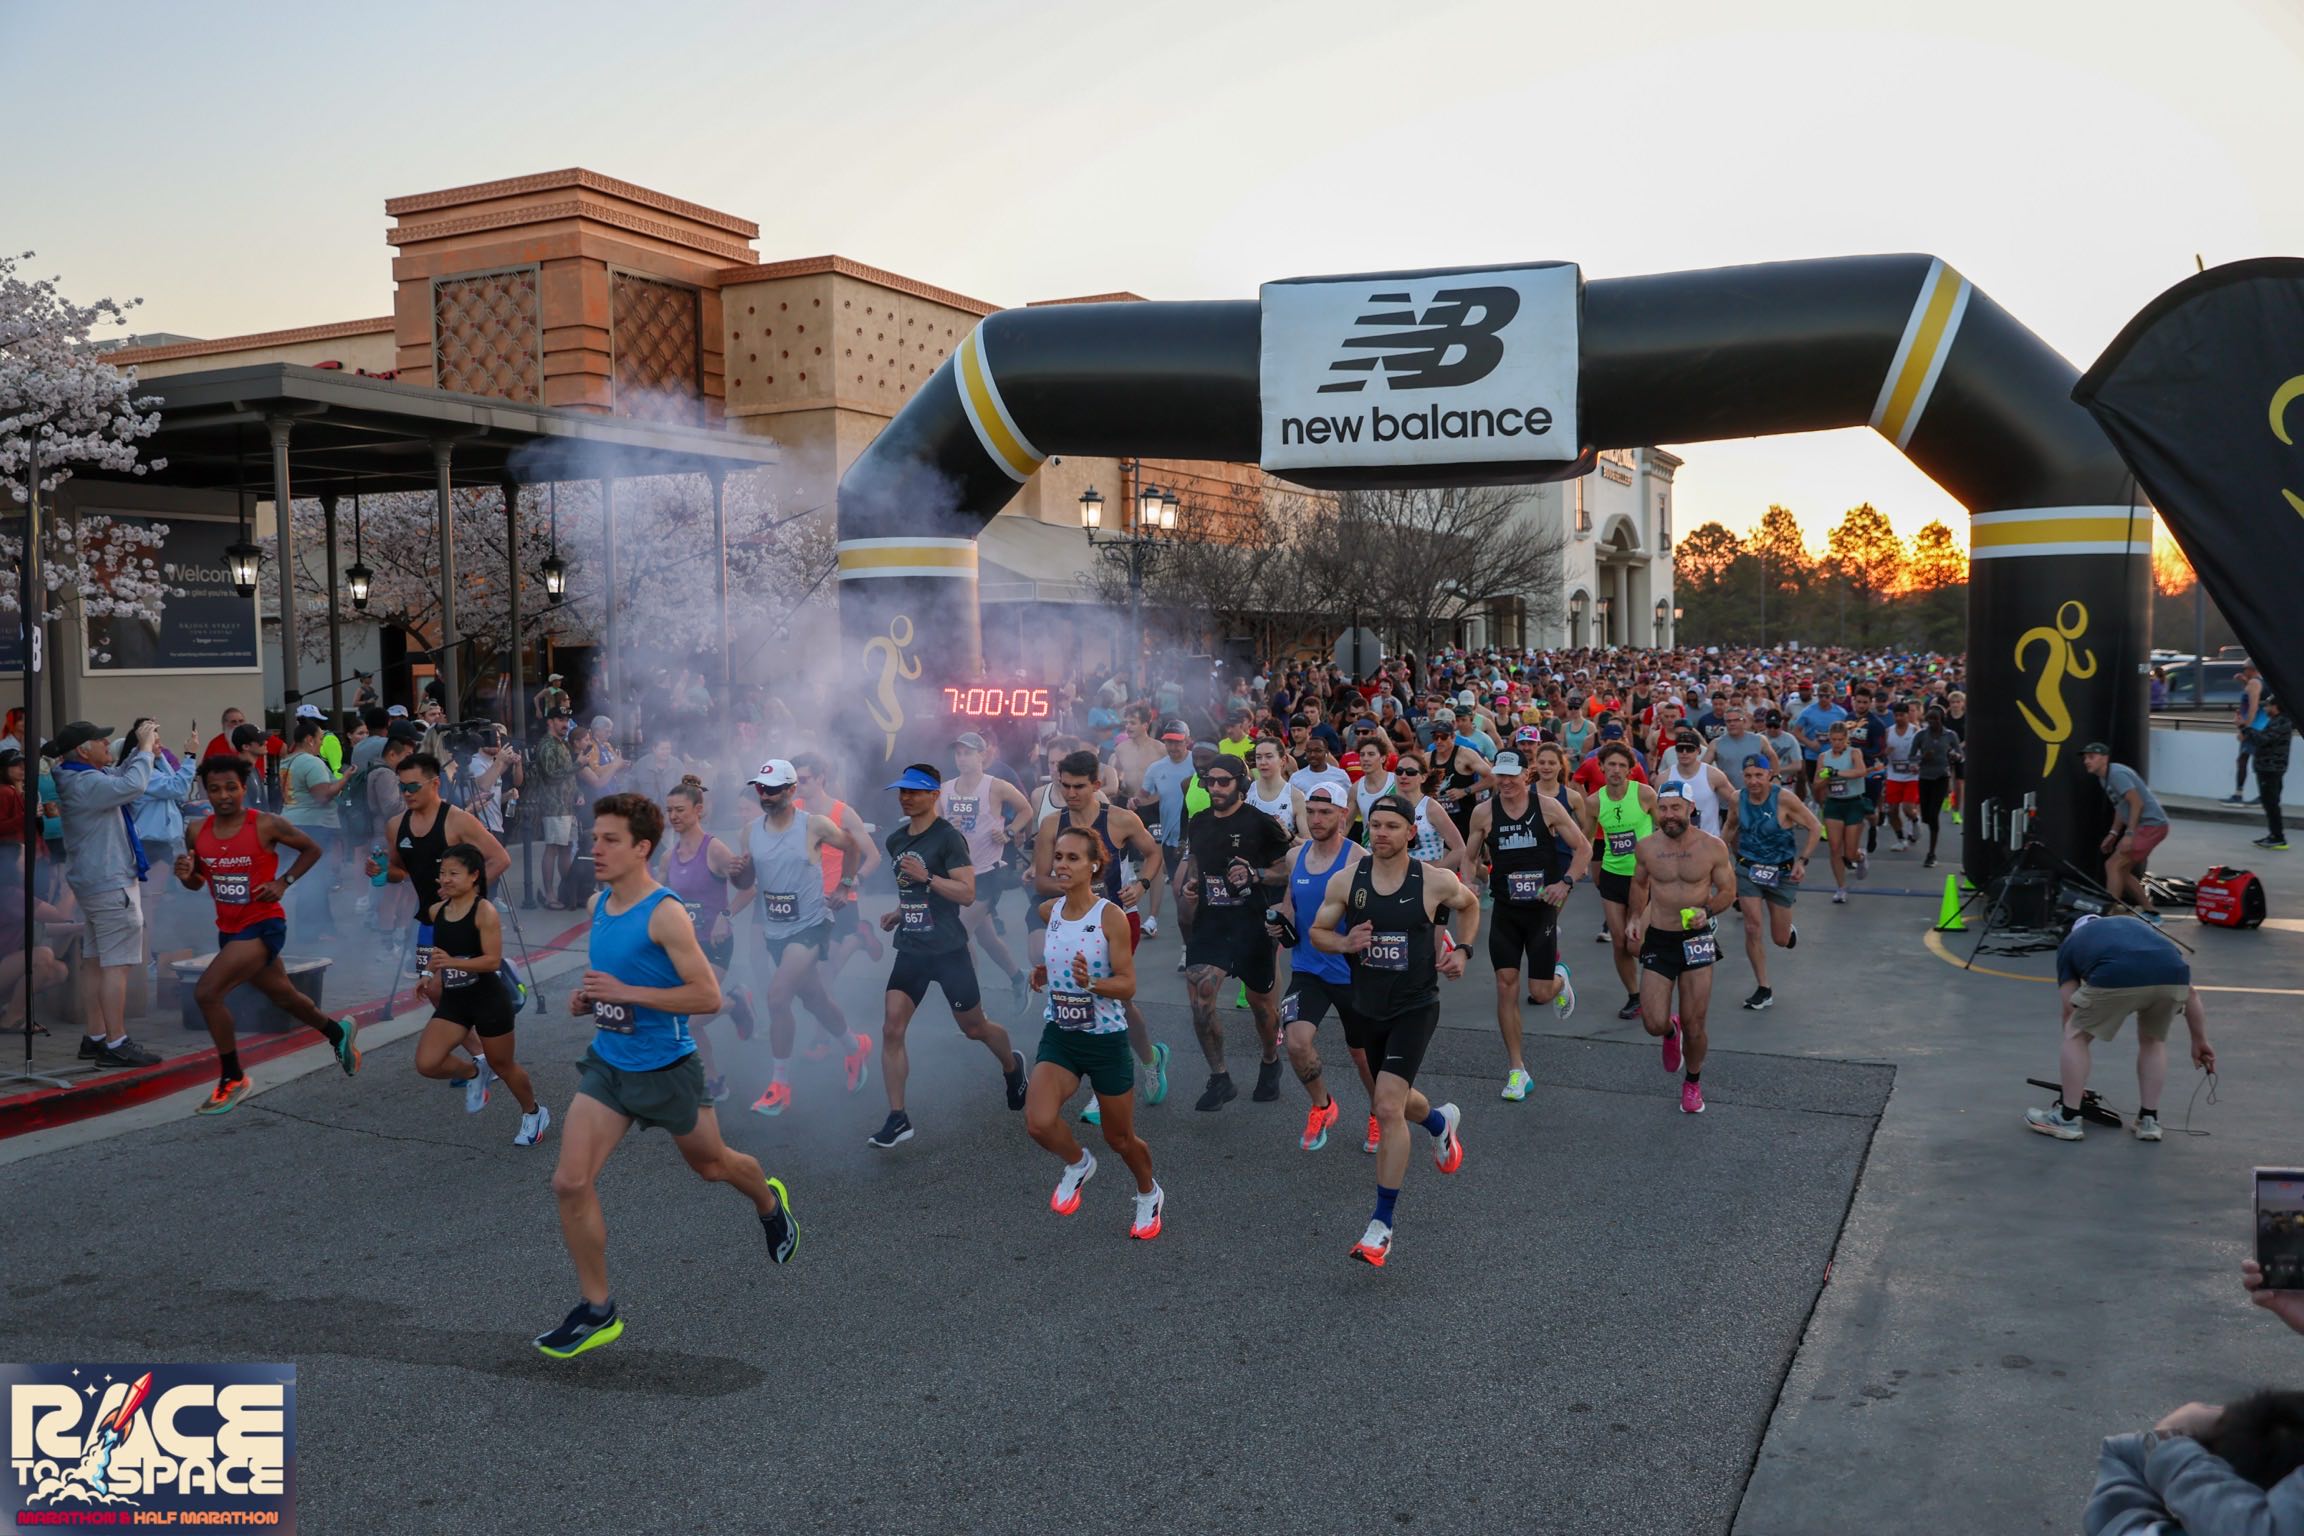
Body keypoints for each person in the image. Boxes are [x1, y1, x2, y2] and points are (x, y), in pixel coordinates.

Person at [537, 793, 797, 1359]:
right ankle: (598, 1310)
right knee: (570, 1181)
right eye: (595, 838)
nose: (595, 848)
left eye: (609, 840)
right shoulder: (599, 904)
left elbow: (706, 995)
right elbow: (614, 981)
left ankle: (769, 1202)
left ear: (641, 848)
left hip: (668, 1068)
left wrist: (625, 993)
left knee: (713, 1166)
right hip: (609, 1064)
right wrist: (589, 1000)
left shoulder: (665, 911)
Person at [1308, 795, 1478, 1268]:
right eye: (1375, 825)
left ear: (1410, 832)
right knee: (1399, 1099)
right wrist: (1344, 942)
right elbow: (1318, 932)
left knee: (1385, 1105)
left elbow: (1470, 905)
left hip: (1415, 1006)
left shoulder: (1435, 880)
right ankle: (1440, 1122)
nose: (1380, 833)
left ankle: (1381, 1226)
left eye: (1391, 826)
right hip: (1368, 1006)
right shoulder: (1348, 880)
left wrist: (1462, 950)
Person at [174, 755, 361, 1115]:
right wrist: (186, 876)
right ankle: (337, 1033)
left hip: (263, 926)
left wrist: (283, 881)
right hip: (229, 929)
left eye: (231, 787)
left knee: (207, 992)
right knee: (286, 998)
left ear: (245, 787)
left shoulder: (266, 825)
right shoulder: (197, 831)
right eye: (214, 789)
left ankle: (232, 1078)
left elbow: (313, 849)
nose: (224, 795)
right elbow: (198, 882)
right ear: (205, 792)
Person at [867, 764, 1030, 1149]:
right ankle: (898, 1118)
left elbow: (967, 893)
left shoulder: (949, 838)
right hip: (911, 947)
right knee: (892, 1026)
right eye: (901, 791)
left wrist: (927, 879)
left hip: (948, 948)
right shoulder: (895, 840)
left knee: (975, 1028)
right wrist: (899, 910)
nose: (906, 797)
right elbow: (910, 889)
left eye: (914, 791)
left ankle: (1012, 1065)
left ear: (934, 795)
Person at [1023, 824, 1165, 1240]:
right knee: (1038, 1123)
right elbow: (1061, 955)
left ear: (1094, 866)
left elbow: (1127, 984)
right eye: (1059, 857)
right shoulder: (1049, 912)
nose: (1062, 865)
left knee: (1120, 1138)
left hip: (1104, 1040)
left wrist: (1091, 984)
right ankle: (1078, 1162)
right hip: (1061, 1035)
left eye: (1072, 858)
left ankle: (1148, 1194)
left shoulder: (1110, 917)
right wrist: (1045, 972)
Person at [1028, 749, 1170, 1118]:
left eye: (1078, 786)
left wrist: (1140, 883)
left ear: (1096, 784)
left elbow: (1154, 855)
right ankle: (1149, 1057)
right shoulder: (1050, 825)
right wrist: (1076, 889)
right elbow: (1041, 879)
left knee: (1113, 997)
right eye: (1064, 786)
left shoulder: (1120, 820)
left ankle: (1119, 1078)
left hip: (1118, 919)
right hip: (1073, 920)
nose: (1071, 793)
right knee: (1095, 997)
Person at [368, 752, 512, 1109]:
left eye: (413, 786)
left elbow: (499, 859)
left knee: (454, 985)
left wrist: (467, 901)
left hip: (464, 921)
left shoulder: (457, 821)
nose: (406, 793)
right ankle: (481, 1058)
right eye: (402, 787)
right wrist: (383, 872)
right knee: (434, 992)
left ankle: (500, 1014)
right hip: (429, 921)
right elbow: (402, 871)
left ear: (435, 784)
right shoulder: (396, 826)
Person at [731, 758, 870, 1117]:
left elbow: (853, 846)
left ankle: (780, 1085)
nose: (766, 795)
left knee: (777, 997)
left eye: (774, 789)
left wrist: (846, 884)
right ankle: (854, 1046)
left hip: (811, 925)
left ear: (791, 790)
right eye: (761, 788)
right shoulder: (750, 832)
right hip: (776, 930)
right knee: (814, 999)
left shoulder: (815, 826)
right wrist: (739, 874)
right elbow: (747, 884)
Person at [1463, 749, 1590, 1100]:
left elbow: (1583, 849)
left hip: (1540, 911)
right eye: (1499, 775)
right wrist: (1468, 881)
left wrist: (1564, 882)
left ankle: (1560, 980)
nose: (1504, 782)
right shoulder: (1483, 813)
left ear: (1526, 775)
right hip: (1505, 910)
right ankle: (1517, 1070)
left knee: (1539, 991)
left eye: (1510, 775)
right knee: (1506, 985)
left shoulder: (1548, 808)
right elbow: (1469, 855)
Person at [2026, 913, 2215, 1143]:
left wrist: (2073, 1082)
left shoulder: (2071, 943)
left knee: (2075, 1036)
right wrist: (2199, 1041)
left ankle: (2068, 1117)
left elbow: (2069, 1009)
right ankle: (2149, 1120)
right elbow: (2191, 994)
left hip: (2116, 972)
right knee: (2153, 1041)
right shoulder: (2134, 927)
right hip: (2173, 974)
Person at [1178, 752, 1293, 1111]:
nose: (1214, 787)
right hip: (1211, 925)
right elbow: (1196, 863)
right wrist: (1191, 885)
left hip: (1252, 925)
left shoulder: (1261, 823)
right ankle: (1220, 1077)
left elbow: (1286, 870)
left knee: (1262, 1007)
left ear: (1240, 784)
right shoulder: (1197, 822)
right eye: (1209, 781)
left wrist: (1257, 875)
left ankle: (1271, 1061)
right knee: (1200, 1002)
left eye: (1222, 781)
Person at [47, 719, 163, 1068]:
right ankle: (116, 1042)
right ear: (83, 749)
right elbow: (132, 787)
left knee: (96, 961)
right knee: (118, 965)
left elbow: (119, 778)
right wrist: (143, 750)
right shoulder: (86, 783)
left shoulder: (79, 777)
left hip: (95, 881)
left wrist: (138, 748)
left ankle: (96, 1037)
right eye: (101, 740)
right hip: (111, 883)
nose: (106, 745)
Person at [412, 845, 547, 1143]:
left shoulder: (483, 910)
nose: (446, 879)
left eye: (454, 873)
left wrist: (452, 962)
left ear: (474, 876)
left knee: (504, 1064)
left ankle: (533, 1113)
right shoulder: (437, 911)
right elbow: (439, 954)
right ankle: (474, 1073)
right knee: (427, 1063)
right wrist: (427, 975)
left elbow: (491, 960)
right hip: (455, 1001)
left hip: (489, 1000)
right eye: (443, 873)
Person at [1272, 783, 1381, 1153]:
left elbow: (1376, 915)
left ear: (1343, 816)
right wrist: (1280, 921)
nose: (1316, 819)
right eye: (1312, 812)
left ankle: (1377, 1112)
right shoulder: (1295, 857)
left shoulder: (1358, 859)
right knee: (1297, 1042)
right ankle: (1323, 1104)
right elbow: (1290, 903)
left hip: (1352, 971)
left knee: (1362, 1055)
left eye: (1325, 812)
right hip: (1308, 969)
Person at [1627, 783, 1736, 1115]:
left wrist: (1709, 910)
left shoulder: (1712, 848)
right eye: (1663, 808)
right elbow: (1640, 883)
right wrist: (1634, 917)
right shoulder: (1646, 847)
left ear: (1690, 807)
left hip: (1697, 939)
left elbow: (1728, 891)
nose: (1669, 815)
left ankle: (1692, 1081)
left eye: (1676, 808)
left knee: (1696, 1022)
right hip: (1660, 936)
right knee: (1652, 1023)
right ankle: (1669, 1031)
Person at [661, 778, 759, 1105]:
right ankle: (715, 1082)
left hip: (714, 947)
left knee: (687, 1020)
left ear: (698, 811)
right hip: (684, 948)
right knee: (689, 1024)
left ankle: (734, 1003)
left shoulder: (714, 849)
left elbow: (748, 887)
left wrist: (725, 915)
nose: (673, 816)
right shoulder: (669, 856)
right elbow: (656, 899)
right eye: (669, 810)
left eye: (680, 810)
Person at [1721, 756, 1820, 1012]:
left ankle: (1788, 931)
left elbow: (1814, 827)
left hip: (1782, 873)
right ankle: (1764, 988)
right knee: (1753, 927)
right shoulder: (1736, 799)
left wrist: (1803, 861)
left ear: (1769, 775)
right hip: (1748, 869)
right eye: (1748, 775)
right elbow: (1730, 828)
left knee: (1780, 938)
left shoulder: (1784, 799)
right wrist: (1723, 861)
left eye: (1758, 775)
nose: (1753, 781)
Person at [942, 732, 1036, 1002]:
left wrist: (1010, 832)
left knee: (959, 934)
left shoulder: (996, 786)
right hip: (960, 873)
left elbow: (1026, 809)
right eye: (958, 753)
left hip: (988, 874)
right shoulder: (946, 789)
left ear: (982, 755)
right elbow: (937, 828)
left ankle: (971, 1004)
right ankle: (1019, 979)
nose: (961, 759)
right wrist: (949, 827)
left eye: (968, 753)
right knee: (987, 938)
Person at [1582, 741, 1658, 1023]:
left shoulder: (1645, 794)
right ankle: (1635, 996)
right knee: (1618, 942)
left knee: (1635, 943)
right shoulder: (1594, 802)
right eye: (1611, 765)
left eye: (1621, 766)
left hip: (1644, 878)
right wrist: (1576, 867)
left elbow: (1665, 830)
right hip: (1613, 875)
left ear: (1631, 770)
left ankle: (1660, 981)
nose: (1615, 770)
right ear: (1601, 767)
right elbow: (1586, 839)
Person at [278, 716, 349, 942]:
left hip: (292, 821)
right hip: (313, 825)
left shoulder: (287, 761)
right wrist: (345, 778)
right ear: (309, 739)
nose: (320, 744)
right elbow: (322, 795)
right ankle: (312, 932)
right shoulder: (311, 762)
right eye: (319, 739)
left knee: (310, 878)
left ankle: (322, 928)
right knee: (314, 879)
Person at [2082, 742, 2171, 917]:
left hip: (2152, 825)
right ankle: (2151, 911)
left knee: (2113, 865)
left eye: (2091, 757)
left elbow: (2137, 803)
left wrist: (2129, 834)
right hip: (2148, 826)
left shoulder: (2117, 774)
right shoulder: (2104, 778)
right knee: (2122, 869)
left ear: (2104, 759)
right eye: (2085, 758)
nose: (2086, 761)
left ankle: (2108, 913)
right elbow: (2121, 807)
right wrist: (2113, 834)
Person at [1134, 721, 1198, 938]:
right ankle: (1185, 936)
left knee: (1186, 888)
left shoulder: (1197, 763)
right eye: (1169, 742)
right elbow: (1144, 795)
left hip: (1195, 837)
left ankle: (1190, 944)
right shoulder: (1156, 768)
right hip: (1171, 839)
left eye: (1177, 742)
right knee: (1178, 889)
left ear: (1187, 740)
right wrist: (1135, 801)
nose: (1172, 747)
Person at [527, 709, 581, 908]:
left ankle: (567, 892)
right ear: (550, 722)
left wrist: (578, 793)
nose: (565, 723)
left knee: (567, 848)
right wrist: (578, 765)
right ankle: (550, 895)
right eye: (561, 719)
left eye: (567, 719)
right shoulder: (547, 745)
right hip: (553, 806)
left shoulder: (562, 743)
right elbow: (551, 775)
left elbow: (568, 777)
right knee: (553, 848)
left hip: (567, 806)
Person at [1815, 720, 1868, 904]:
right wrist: (1826, 778)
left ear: (1846, 739)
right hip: (1834, 804)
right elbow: (1817, 783)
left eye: (1840, 740)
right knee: (1835, 848)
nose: (1836, 743)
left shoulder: (1854, 753)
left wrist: (1837, 772)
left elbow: (1861, 771)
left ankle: (1860, 857)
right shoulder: (1824, 757)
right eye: (1833, 740)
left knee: (1850, 852)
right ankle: (1841, 887)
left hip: (1853, 802)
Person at [1913, 706, 1960, 869]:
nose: (1932, 723)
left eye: (1936, 719)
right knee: (1926, 816)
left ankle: (1931, 853)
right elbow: (1911, 757)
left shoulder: (1950, 735)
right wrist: (1921, 758)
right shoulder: (1921, 735)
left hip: (1941, 777)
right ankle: (1922, 822)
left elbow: (1960, 756)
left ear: (1942, 720)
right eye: (1929, 719)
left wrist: (1954, 755)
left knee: (1933, 815)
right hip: (1925, 777)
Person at [2252, 697, 2294, 852]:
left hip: (2271, 769)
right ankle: (2274, 835)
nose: (2265, 709)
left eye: (2267, 706)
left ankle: (2278, 837)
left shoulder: (2281, 722)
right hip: (2268, 768)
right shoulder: (2278, 720)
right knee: (2269, 803)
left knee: (2271, 803)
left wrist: (2244, 728)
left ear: (2275, 707)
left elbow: (2263, 740)